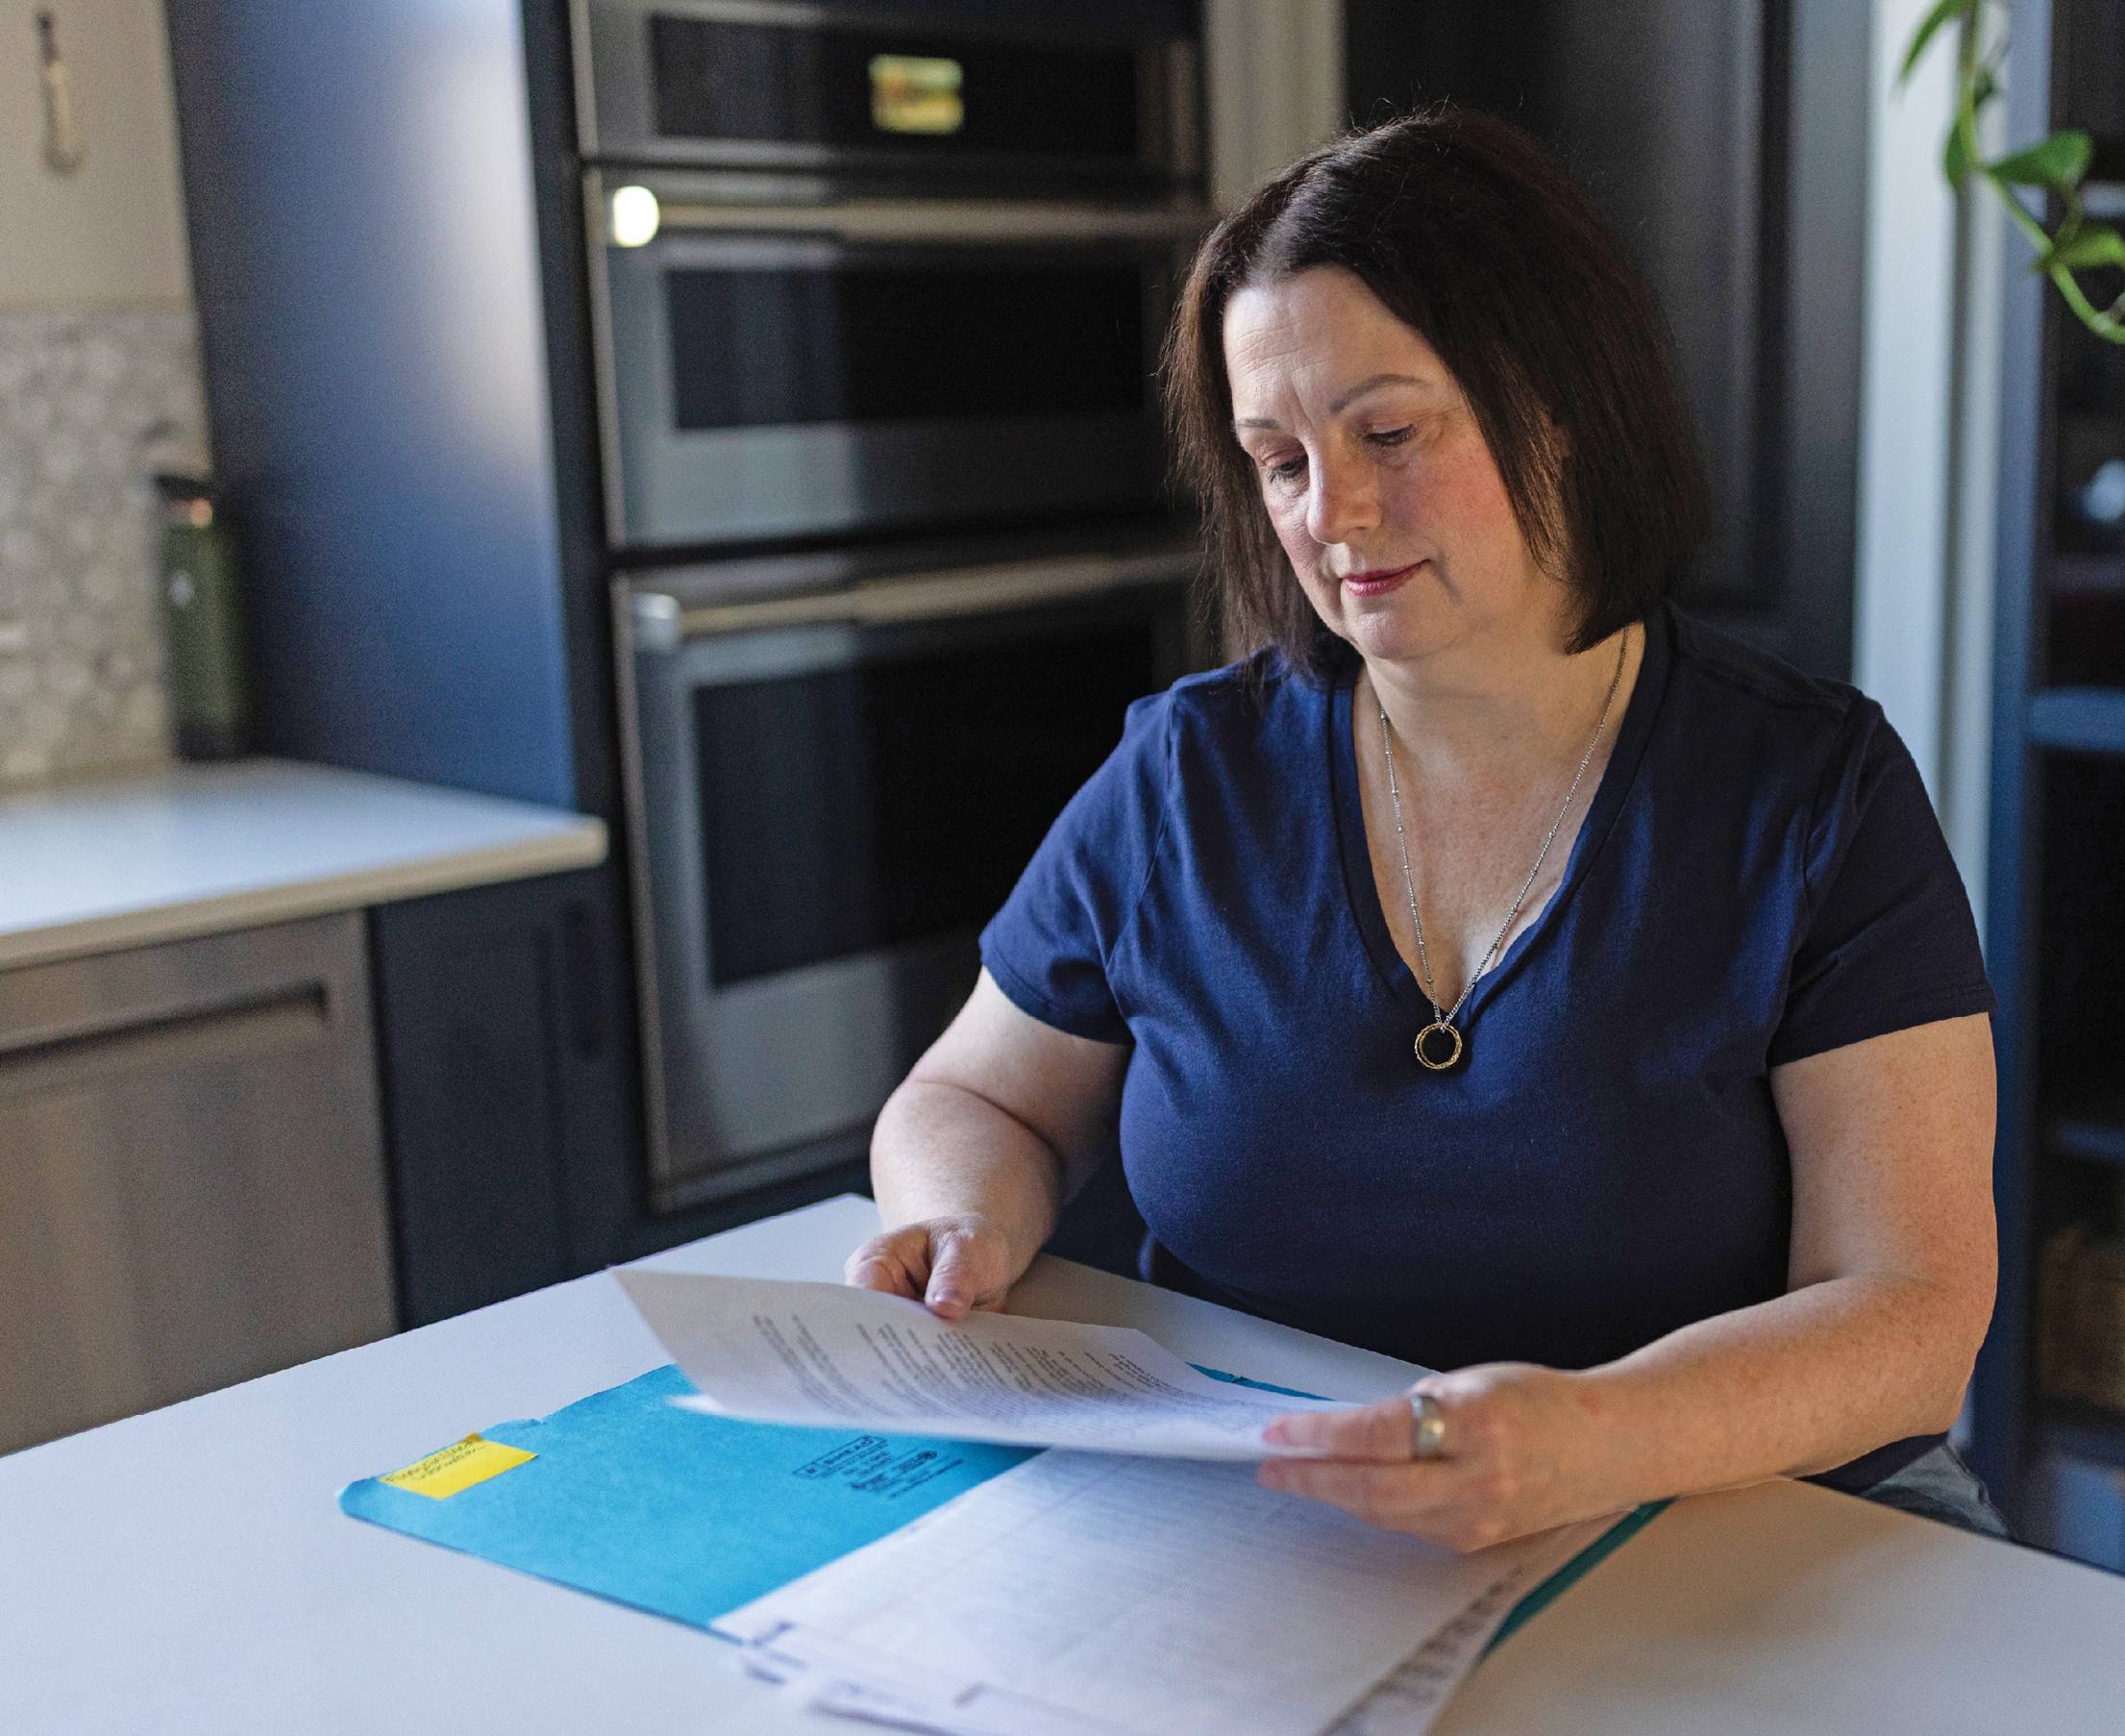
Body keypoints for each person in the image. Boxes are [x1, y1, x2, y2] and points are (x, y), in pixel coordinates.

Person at [845, 106, 2006, 1545]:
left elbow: (1914, 1311)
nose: (1334, 512)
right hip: (1281, 1537)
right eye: (1279, 460)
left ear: (1559, 398)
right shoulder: (1184, 778)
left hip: (1744, 1526)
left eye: (1388, 430)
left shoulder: (1813, 793)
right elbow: (977, 1099)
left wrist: (1598, 1435)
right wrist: (960, 1216)